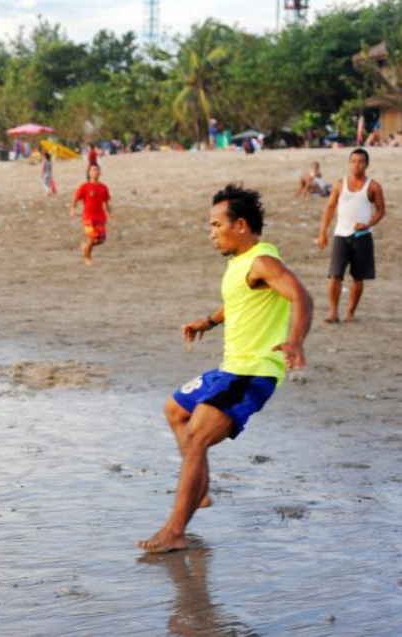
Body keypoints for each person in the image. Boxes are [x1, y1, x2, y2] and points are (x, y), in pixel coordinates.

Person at [138, 184, 312, 554]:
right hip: (228, 369)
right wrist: (207, 322)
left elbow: (301, 295)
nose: (211, 232)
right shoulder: (241, 266)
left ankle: (174, 531)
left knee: (196, 437)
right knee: (175, 411)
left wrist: (295, 341)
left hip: (251, 373)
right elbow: (237, 302)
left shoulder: (262, 262)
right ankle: (198, 490)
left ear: (242, 225)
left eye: (217, 225)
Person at [317, 148, 386, 324]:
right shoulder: (340, 184)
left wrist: (368, 224)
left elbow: (381, 211)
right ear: (349, 163)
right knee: (335, 274)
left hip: (362, 236)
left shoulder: (373, 186)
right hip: (341, 235)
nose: (357, 165)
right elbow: (330, 207)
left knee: (358, 277)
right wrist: (322, 231)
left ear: (367, 164)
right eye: (353, 161)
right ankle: (333, 312)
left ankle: (350, 312)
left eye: (361, 161)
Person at [69, 164, 113, 265]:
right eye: (93, 170)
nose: (95, 171)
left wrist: (110, 213)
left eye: (97, 170)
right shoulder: (84, 187)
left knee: (101, 239)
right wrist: (73, 209)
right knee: (91, 237)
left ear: (100, 172)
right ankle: (87, 259)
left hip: (100, 216)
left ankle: (85, 246)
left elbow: (106, 202)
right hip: (88, 217)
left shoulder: (103, 187)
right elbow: (75, 198)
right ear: (89, 173)